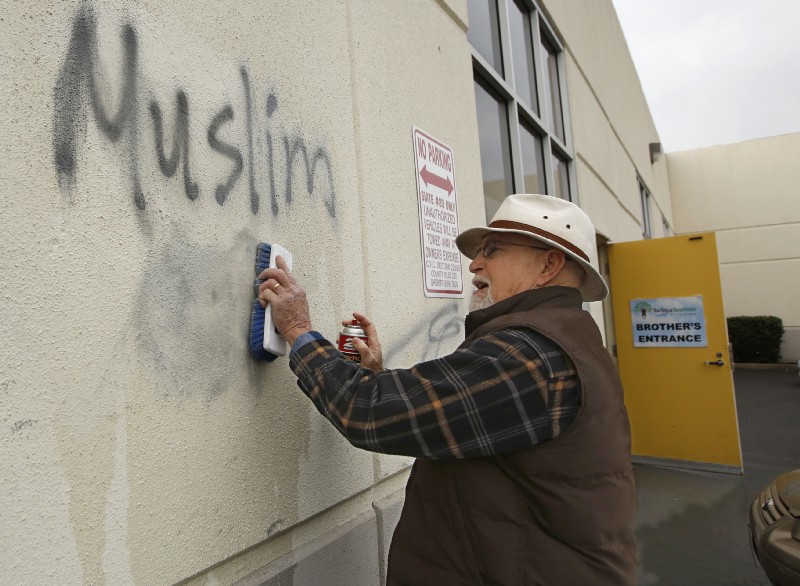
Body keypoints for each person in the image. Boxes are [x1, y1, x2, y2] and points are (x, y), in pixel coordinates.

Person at [258, 193, 636, 585]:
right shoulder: (563, 340)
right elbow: (454, 421)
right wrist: (376, 374)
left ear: (549, 264)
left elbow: (369, 412)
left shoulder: (531, 355)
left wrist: (299, 331)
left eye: (493, 249)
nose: (474, 264)